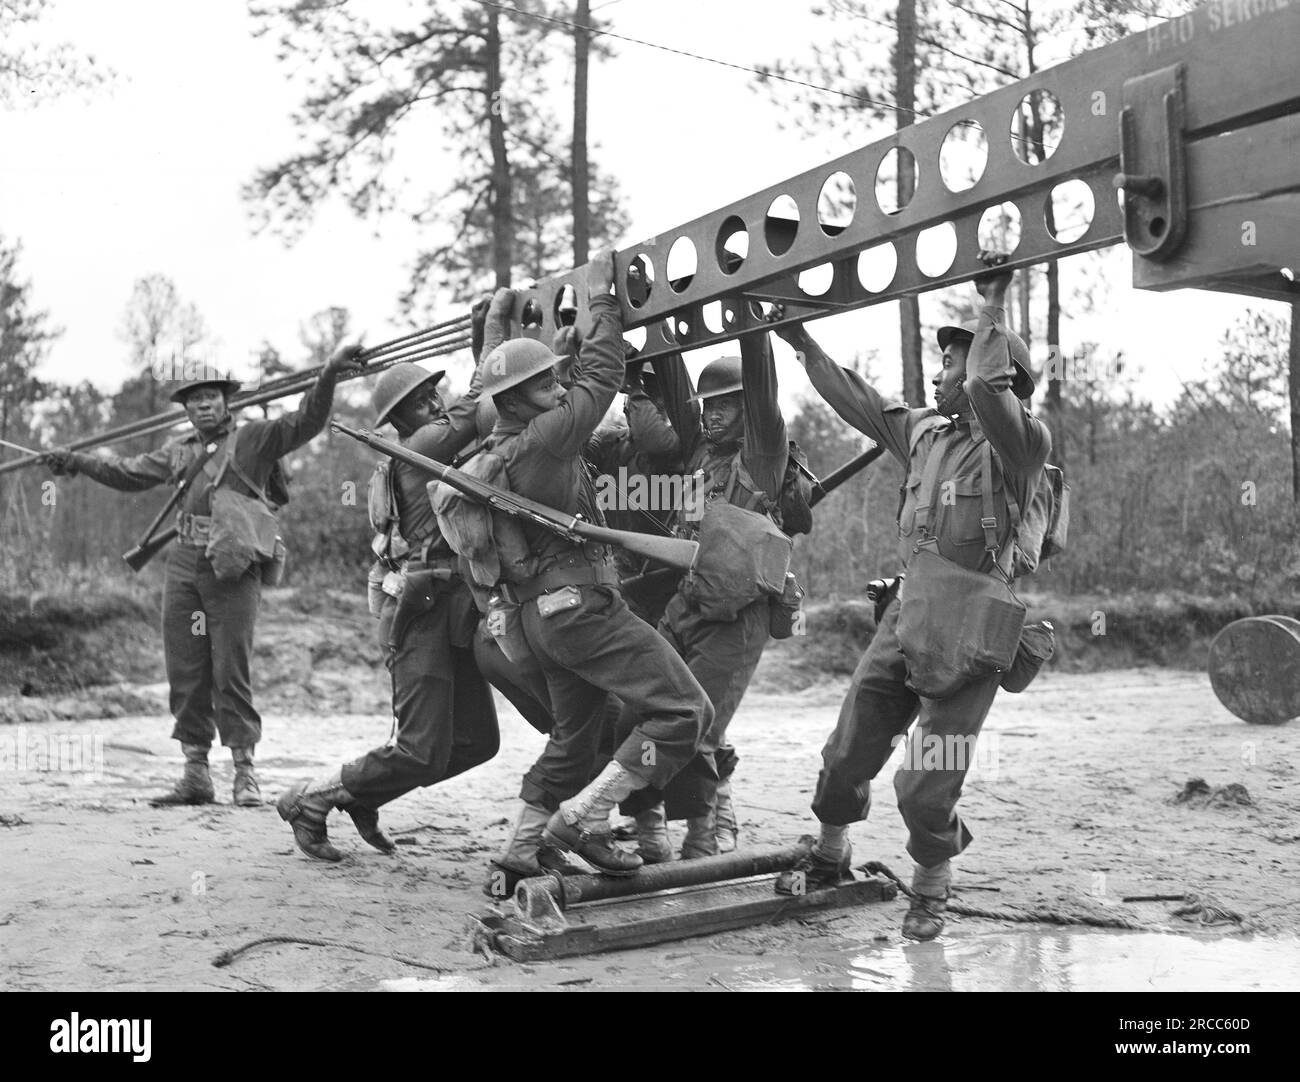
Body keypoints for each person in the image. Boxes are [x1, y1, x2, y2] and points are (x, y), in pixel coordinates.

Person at [770, 254, 1050, 941]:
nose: (939, 373)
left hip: (975, 634)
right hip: (908, 614)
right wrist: (803, 343)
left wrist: (992, 304)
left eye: (951, 362)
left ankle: (931, 884)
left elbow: (988, 387)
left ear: (997, 375)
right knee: (845, 753)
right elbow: (860, 398)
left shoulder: (1022, 450)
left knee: (925, 783)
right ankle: (832, 854)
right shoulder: (926, 433)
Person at [277, 291, 555, 862]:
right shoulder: (421, 448)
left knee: (476, 743)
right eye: (419, 400)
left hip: (459, 610)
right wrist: (498, 325)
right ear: (398, 419)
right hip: (423, 608)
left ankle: (360, 793)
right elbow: (484, 401)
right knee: (421, 746)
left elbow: (486, 408)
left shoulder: (440, 448)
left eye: (434, 393)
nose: (433, 403)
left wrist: (487, 334)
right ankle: (314, 798)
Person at [41, 350, 365, 806]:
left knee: (231, 668)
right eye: (194, 401)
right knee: (185, 668)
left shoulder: (254, 440)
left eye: (211, 396)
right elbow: (127, 473)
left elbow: (307, 421)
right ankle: (196, 773)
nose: (203, 406)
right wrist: (75, 461)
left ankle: (244, 774)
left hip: (233, 565)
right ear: (186, 409)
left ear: (227, 401)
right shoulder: (180, 453)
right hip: (184, 564)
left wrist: (329, 373)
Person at [481, 249, 712, 883]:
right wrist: (604, 303)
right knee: (685, 711)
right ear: (517, 400)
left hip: (538, 621)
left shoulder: (500, 447)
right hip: (581, 609)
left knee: (574, 741)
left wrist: (558, 353)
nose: (557, 389)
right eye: (545, 384)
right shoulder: (548, 434)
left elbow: (571, 388)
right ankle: (584, 819)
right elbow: (603, 377)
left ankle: (521, 851)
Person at [617, 327, 789, 861]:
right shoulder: (697, 450)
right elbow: (673, 375)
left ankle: (701, 842)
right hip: (685, 603)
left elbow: (762, 382)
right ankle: (649, 833)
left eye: (726, 405)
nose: (713, 414)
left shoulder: (763, 455)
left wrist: (750, 316)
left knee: (700, 725)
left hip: (738, 616)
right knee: (638, 712)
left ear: (748, 408)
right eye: (707, 405)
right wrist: (657, 328)